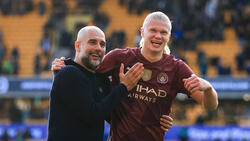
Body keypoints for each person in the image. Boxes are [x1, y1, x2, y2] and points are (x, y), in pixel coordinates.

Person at [52, 11, 218, 141]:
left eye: (163, 32)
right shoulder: (119, 58)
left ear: (169, 36)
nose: (158, 36)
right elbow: (87, 75)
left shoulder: (177, 68)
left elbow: (210, 105)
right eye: (153, 30)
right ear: (143, 32)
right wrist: (66, 66)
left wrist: (209, 89)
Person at [47, 26, 144, 141]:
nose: (98, 48)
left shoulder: (100, 79)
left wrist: (159, 118)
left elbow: (114, 116)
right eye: (92, 42)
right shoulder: (68, 73)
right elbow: (92, 115)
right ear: (78, 46)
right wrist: (123, 87)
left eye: (102, 44)